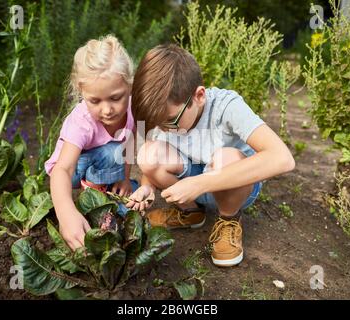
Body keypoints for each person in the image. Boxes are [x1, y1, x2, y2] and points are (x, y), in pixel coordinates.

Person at [126, 44, 295, 267]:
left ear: (199, 96)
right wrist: (148, 186)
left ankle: (228, 220)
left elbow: (282, 158)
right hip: (193, 183)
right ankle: (191, 213)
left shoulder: (227, 106)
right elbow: (158, 143)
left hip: (235, 185)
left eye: (170, 121)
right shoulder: (166, 115)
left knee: (227, 157)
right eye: (158, 124)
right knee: (148, 154)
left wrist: (201, 182)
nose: (164, 129)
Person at [45, 35, 137, 251]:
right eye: (95, 101)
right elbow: (63, 169)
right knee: (113, 153)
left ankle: (107, 191)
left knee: (125, 173)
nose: (107, 109)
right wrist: (66, 213)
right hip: (72, 171)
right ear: (81, 91)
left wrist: (124, 179)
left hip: (102, 161)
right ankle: (94, 200)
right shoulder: (82, 122)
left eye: (116, 98)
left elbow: (130, 141)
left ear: (130, 87)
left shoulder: (133, 108)